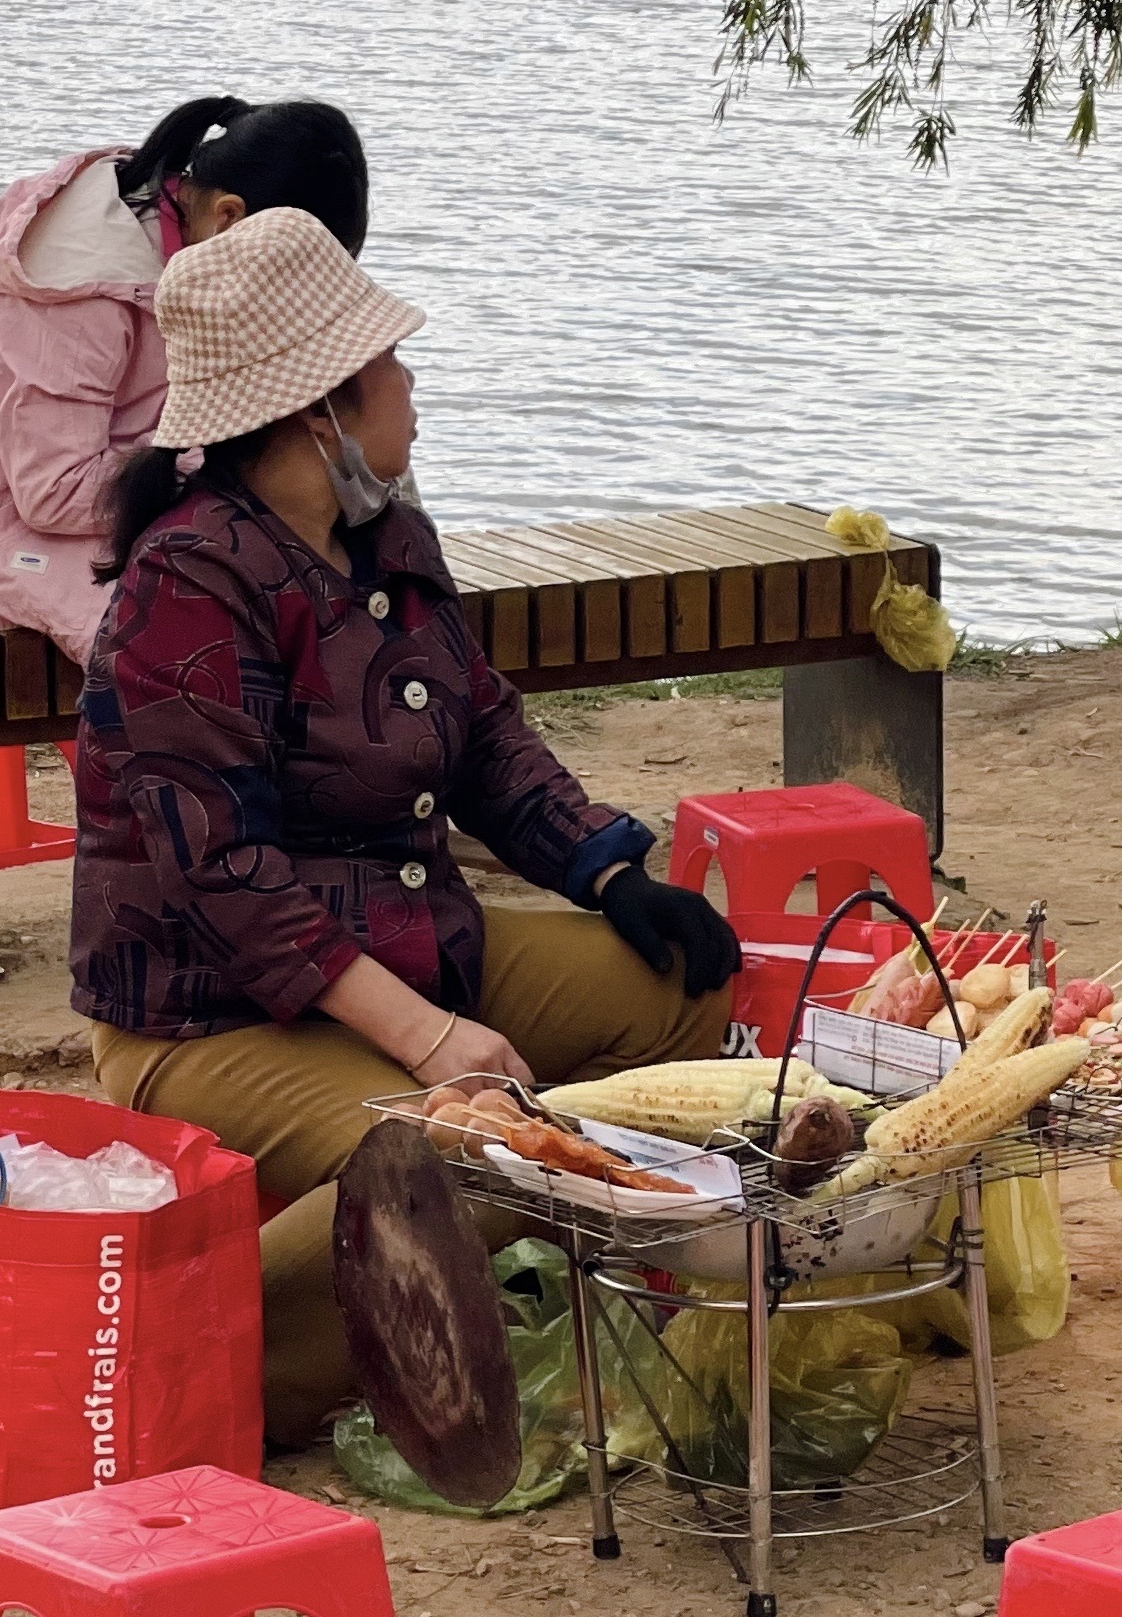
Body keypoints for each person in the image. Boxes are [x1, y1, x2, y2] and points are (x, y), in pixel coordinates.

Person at [72, 197, 742, 1445]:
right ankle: (220, 1370)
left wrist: (610, 876)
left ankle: (512, 1257)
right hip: (211, 1011)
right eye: (389, 363)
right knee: (466, 1152)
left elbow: (483, 735)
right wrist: (431, 1038)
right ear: (318, 405)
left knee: (684, 998)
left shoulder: (383, 540)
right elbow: (225, 874)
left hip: (412, 940)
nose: (412, 381)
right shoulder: (189, 586)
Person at [0, 96, 360, 663]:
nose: (298, 299)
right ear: (230, 219)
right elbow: (54, 491)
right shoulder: (82, 292)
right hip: (1, 536)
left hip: (136, 512)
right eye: (297, 274)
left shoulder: (204, 252)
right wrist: (233, 470)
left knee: (335, 598)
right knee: (190, 640)